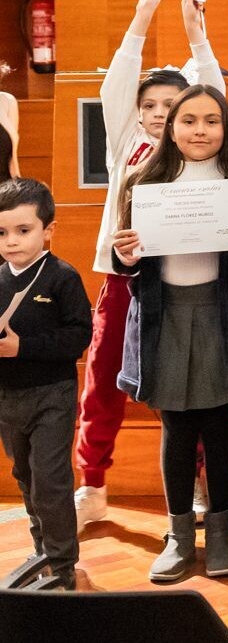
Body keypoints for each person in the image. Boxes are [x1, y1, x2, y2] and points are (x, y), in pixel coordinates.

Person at [111, 84, 228, 582]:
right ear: (171, 127)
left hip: (221, 313)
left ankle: (222, 530)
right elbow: (127, 261)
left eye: (211, 120)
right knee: (177, 427)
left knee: (220, 423)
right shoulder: (144, 178)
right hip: (165, 315)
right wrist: (128, 254)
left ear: (225, 126)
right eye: (189, 120)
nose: (199, 130)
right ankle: (179, 535)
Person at [76, 0, 222, 531]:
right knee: (102, 383)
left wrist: (195, 33)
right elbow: (118, 79)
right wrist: (142, 14)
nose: (161, 115)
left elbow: (212, 89)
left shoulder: (200, 150)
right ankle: (91, 483)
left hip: (181, 286)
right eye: (151, 106)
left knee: (186, 391)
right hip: (123, 283)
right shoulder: (125, 145)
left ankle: (195, 482)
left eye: (172, 106)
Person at [0, 178, 92, 588]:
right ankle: (42, 551)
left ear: (48, 230)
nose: (11, 241)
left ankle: (63, 565)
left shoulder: (62, 278)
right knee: (26, 476)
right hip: (7, 398)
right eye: (2, 232)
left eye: (23, 230)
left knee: (52, 480)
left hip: (52, 394)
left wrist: (24, 347)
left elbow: (78, 337)